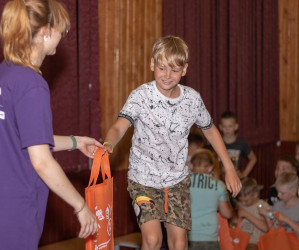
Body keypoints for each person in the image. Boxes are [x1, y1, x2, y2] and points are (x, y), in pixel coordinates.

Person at [0, 1, 100, 249]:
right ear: (46, 31)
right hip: (11, 214)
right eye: (62, 30)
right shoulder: (32, 85)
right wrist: (80, 206)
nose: (62, 37)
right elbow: (41, 161)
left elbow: (26, 138)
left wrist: (76, 142)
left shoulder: (2, 73)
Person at [102, 35, 241, 250]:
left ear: (185, 69)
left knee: (179, 242)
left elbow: (211, 131)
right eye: (162, 68)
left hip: (176, 180)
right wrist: (109, 144)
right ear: (152, 64)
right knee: (153, 240)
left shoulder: (192, 100)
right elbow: (120, 126)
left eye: (175, 70)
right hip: (143, 180)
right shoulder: (141, 96)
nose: (168, 75)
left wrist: (229, 167)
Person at [187, 148, 233, 250]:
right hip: (210, 236)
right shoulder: (219, 185)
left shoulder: (183, 183)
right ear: (210, 168)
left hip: (188, 235)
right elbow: (227, 213)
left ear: (191, 165)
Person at [260, 172, 299, 250]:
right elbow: (273, 232)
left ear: (293, 191)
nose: (278, 195)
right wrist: (267, 218)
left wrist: (286, 219)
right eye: (277, 191)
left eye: (282, 193)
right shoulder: (277, 206)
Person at [219, 111, 257, 178]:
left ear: (236, 126)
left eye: (230, 126)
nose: (227, 129)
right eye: (224, 126)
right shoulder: (217, 143)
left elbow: (253, 158)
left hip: (235, 178)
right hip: (219, 179)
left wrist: (244, 174)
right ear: (220, 127)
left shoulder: (242, 143)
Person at [235, 177, 269, 249]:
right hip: (239, 240)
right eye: (241, 200)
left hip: (255, 242)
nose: (243, 203)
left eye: (246, 201)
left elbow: (266, 228)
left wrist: (246, 214)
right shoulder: (239, 205)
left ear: (255, 195)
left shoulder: (262, 205)